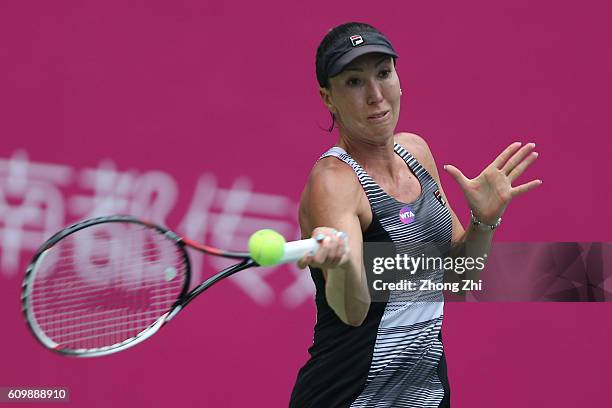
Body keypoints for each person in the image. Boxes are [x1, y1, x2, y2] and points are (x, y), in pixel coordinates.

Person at [289, 22, 541, 408]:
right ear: (328, 97)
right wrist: (341, 266)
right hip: (348, 397)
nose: (376, 95)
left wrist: (484, 221)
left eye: (383, 73)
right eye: (355, 82)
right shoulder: (335, 182)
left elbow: (458, 279)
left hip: (425, 395)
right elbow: (352, 311)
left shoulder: (415, 152)